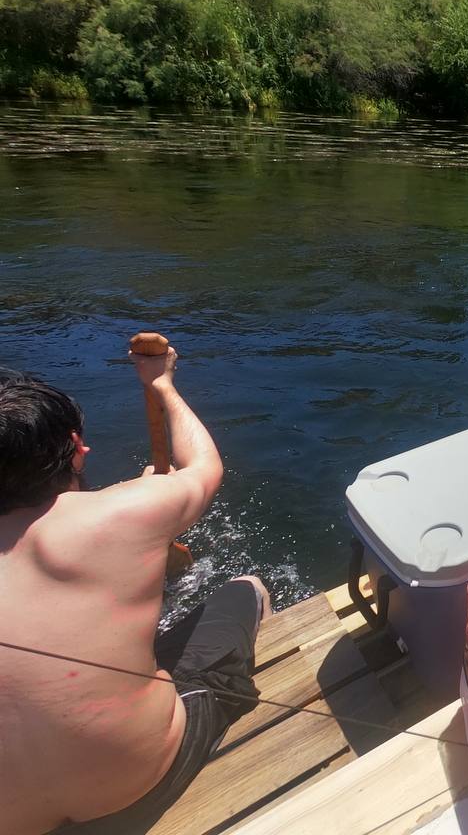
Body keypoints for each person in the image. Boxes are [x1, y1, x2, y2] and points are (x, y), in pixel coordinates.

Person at [0, 345, 271, 834]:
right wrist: (162, 384)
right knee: (247, 588)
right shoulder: (128, 511)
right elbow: (203, 465)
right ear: (77, 447)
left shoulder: (124, 508)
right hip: (132, 791)